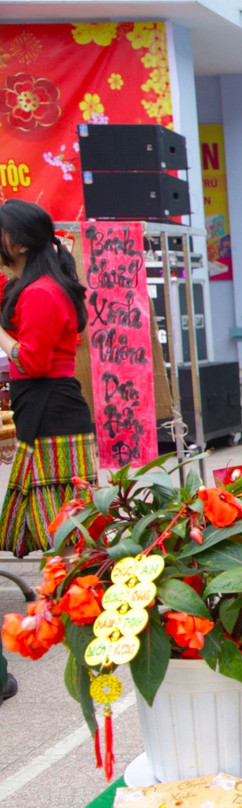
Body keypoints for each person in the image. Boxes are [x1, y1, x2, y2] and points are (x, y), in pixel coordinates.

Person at [0, 200, 97, 559]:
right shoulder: (33, 285)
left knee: (64, 522)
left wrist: (1, 336)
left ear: (22, 243)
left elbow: (32, 360)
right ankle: (66, 600)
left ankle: (74, 602)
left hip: (50, 404)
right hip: (47, 403)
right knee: (59, 518)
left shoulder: (41, 291)